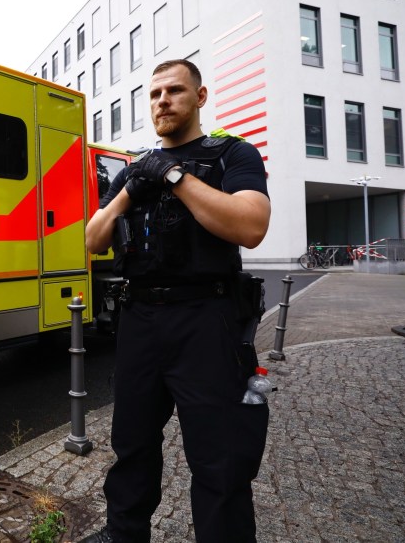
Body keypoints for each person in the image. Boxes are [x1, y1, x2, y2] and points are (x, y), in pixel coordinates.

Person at [81, 59, 271, 543]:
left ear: (200, 97)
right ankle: (124, 534)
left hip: (208, 320)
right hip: (140, 319)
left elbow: (250, 226)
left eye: (175, 91)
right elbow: (93, 239)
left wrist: (175, 177)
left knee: (221, 453)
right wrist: (128, 192)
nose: (162, 101)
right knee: (132, 443)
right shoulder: (136, 168)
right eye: (154, 94)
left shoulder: (232, 155)